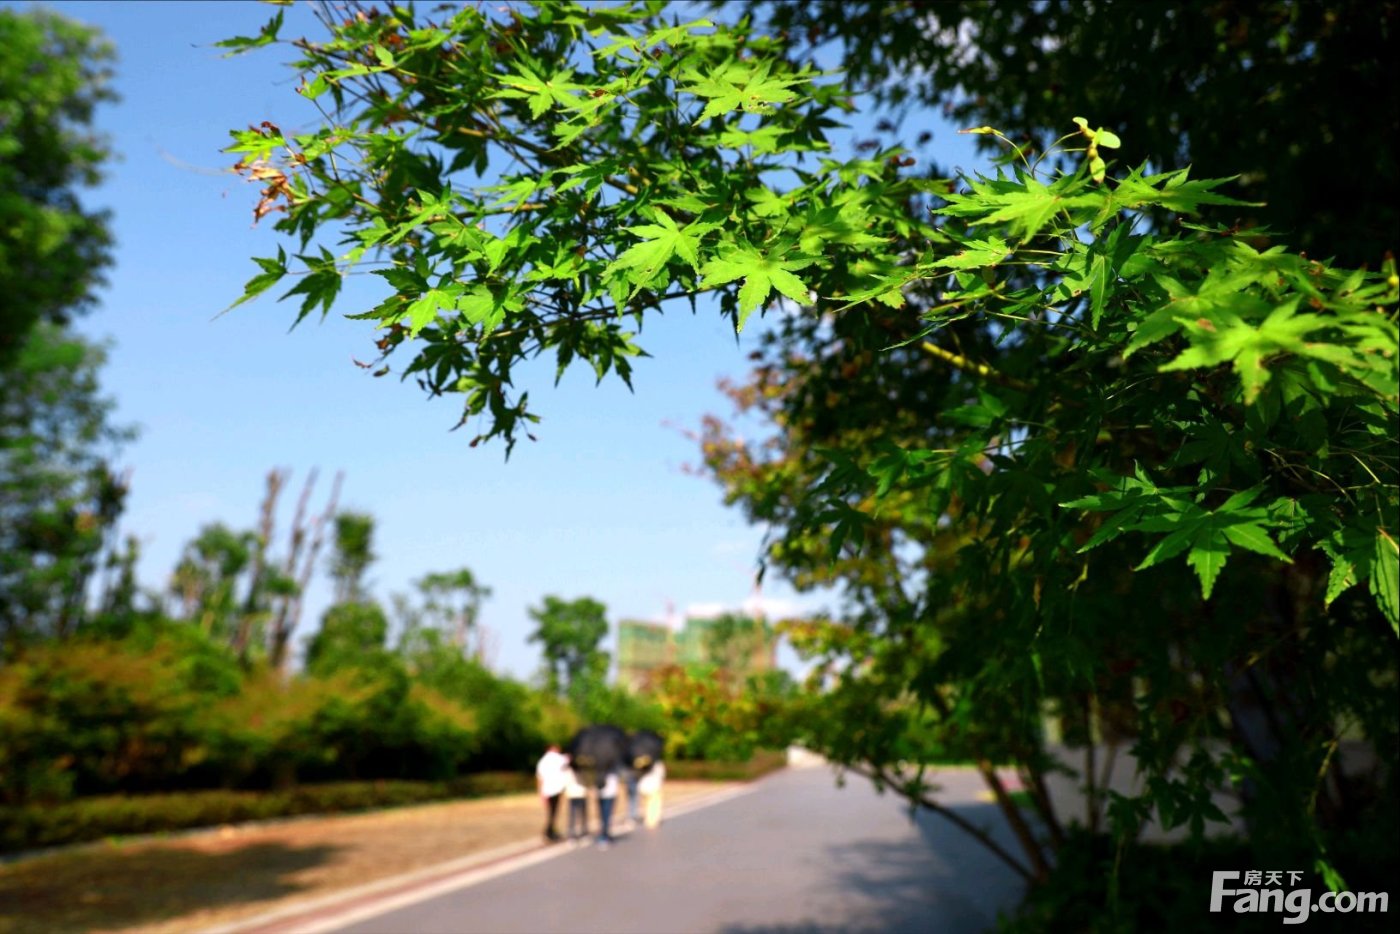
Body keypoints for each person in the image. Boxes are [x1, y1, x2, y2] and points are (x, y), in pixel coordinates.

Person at [535, 743, 568, 843]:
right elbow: (567, 760)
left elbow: (539, 778)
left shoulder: (542, 761)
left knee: (551, 812)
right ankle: (549, 831)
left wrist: (541, 793)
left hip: (547, 790)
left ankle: (550, 830)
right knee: (553, 812)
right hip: (555, 789)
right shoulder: (557, 758)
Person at [563, 757, 589, 847]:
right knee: (582, 815)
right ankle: (583, 833)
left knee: (572, 816)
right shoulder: (581, 770)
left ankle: (572, 836)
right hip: (580, 793)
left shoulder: (567, 770)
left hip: (572, 794)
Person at [595, 768, 619, 850]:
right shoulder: (611, 766)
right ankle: (605, 833)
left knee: (603, 812)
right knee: (606, 812)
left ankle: (604, 832)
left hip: (602, 787)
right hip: (607, 789)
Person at [638, 760, 666, 828]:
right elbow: (662, 775)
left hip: (643, 787)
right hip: (654, 787)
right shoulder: (658, 764)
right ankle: (652, 820)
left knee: (646, 804)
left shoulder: (642, 762)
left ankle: (647, 818)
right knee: (654, 804)